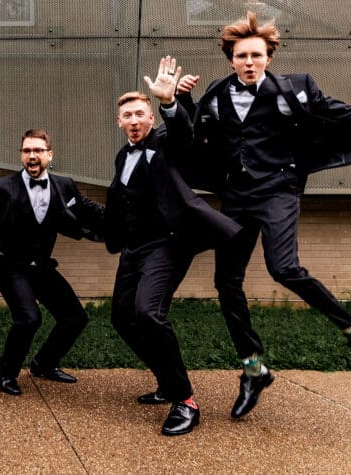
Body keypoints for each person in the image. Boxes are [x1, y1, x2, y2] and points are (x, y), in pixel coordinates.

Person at [178, 12, 351, 419]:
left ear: (269, 57)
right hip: (236, 196)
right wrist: (183, 100)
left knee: (284, 268)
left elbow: (350, 114)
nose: (249, 62)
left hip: (278, 189)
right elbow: (194, 138)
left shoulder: (295, 88)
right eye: (242, 56)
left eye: (256, 55)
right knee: (226, 282)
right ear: (231, 59)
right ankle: (253, 369)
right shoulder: (217, 94)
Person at [105, 58, 241, 436]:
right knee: (122, 318)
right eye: (127, 116)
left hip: (167, 244)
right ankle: (166, 381)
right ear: (119, 122)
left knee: (148, 313)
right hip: (134, 247)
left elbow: (183, 134)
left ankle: (185, 401)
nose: (134, 120)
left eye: (140, 113)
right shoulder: (122, 156)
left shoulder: (166, 142)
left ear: (150, 117)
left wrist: (169, 103)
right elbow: (122, 201)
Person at [0, 128, 103, 397]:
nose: (32, 155)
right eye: (27, 151)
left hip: (41, 267)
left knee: (75, 318)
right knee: (29, 318)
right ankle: (5, 374)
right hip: (9, 266)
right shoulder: (3, 187)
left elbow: (90, 210)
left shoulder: (64, 185)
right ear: (21, 156)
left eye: (38, 150)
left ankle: (44, 364)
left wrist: (125, 218)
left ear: (49, 155)